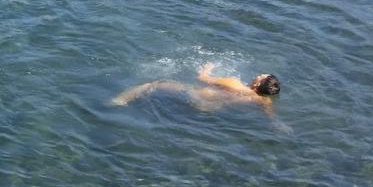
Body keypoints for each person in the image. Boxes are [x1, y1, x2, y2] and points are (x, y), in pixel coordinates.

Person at [112, 62, 281, 115]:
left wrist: (207, 68)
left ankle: (119, 101)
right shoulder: (262, 100)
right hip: (208, 109)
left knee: (152, 85)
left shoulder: (234, 83)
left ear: (258, 84)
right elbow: (269, 113)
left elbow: (202, 79)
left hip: (194, 96)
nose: (259, 74)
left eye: (262, 75)